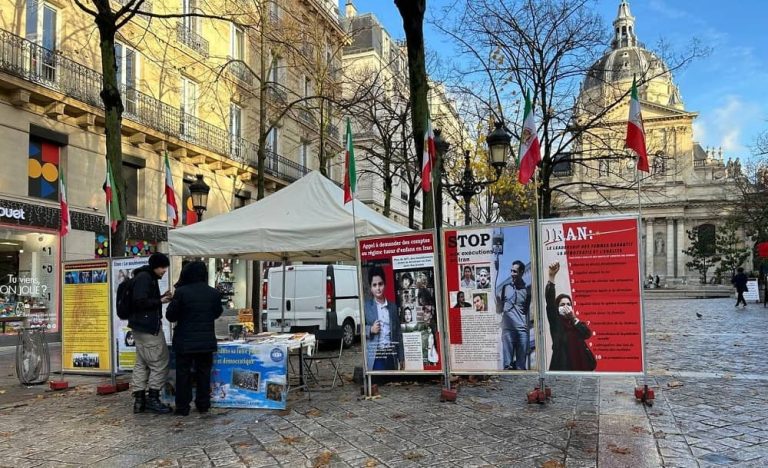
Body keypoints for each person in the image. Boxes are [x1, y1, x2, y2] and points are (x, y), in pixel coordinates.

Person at [166, 261, 223, 416]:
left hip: (185, 341)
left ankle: (183, 407)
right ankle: (203, 404)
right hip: (206, 341)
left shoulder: (182, 292)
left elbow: (171, 316)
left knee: (183, 374)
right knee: (204, 373)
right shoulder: (213, 293)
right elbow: (217, 313)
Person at [129, 253, 173, 414]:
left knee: (142, 362)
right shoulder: (145, 278)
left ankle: (139, 401)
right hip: (148, 327)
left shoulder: (144, 277)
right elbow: (140, 302)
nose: (165, 271)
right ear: (155, 266)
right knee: (160, 361)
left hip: (140, 326)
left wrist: (161, 297)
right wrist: (159, 301)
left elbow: (142, 300)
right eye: (163, 267)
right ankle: (153, 398)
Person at [546, 262, 595, 371]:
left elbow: (587, 334)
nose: (566, 307)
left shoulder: (575, 323)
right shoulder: (556, 321)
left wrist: (573, 319)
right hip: (563, 366)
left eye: (568, 304)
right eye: (562, 305)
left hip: (582, 366)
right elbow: (549, 302)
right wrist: (551, 276)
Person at [364, 266, 403, 370]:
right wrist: (370, 330)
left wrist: (401, 357)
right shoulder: (366, 307)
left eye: (380, 284)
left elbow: (398, 334)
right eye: (374, 285)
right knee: (378, 382)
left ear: (384, 284)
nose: (378, 288)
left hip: (391, 354)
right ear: (371, 287)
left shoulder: (393, 307)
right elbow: (359, 329)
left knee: (392, 384)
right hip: (376, 355)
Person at [496, 260, 531, 370]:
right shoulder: (505, 288)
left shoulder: (527, 291)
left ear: (521, 272)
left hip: (522, 332)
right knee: (508, 366)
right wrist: (498, 302)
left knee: (521, 366)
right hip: (507, 331)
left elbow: (525, 310)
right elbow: (499, 310)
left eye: (515, 271)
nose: (512, 274)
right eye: (511, 271)